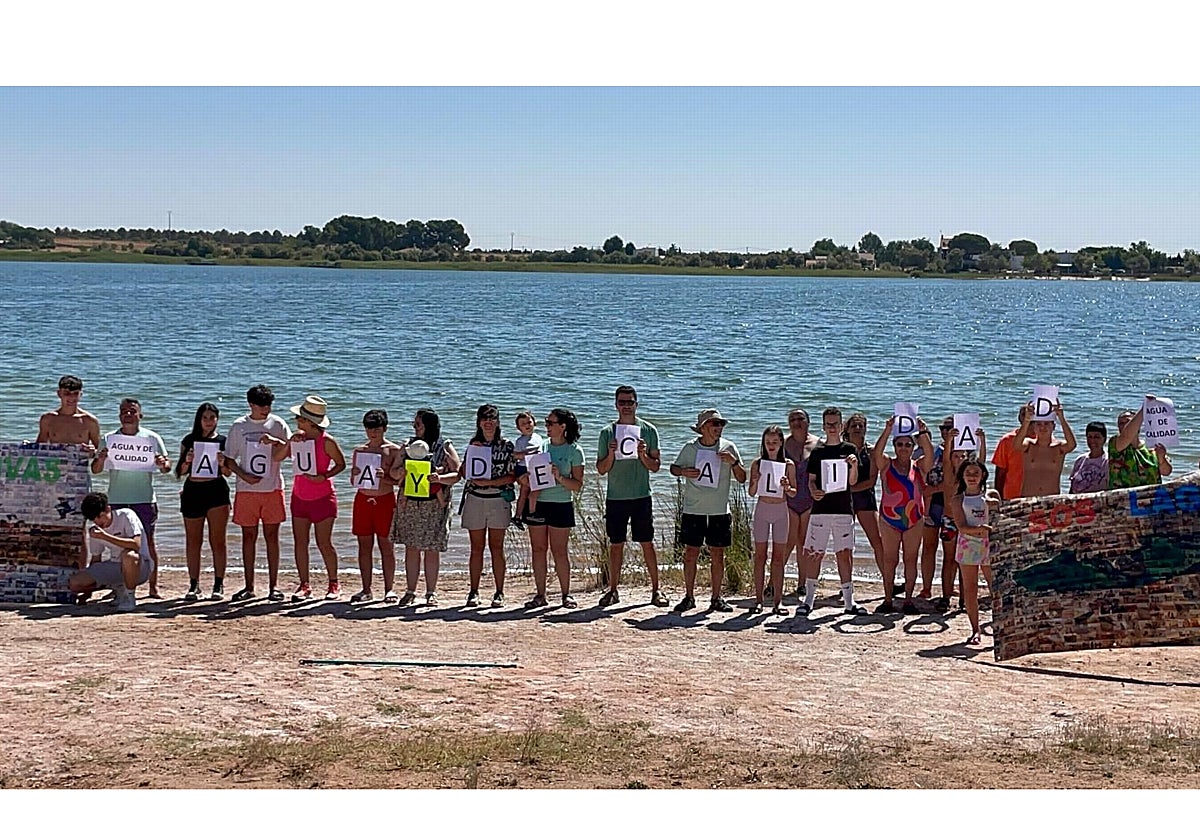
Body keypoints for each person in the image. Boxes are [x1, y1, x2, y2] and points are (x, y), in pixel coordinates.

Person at [262, 395, 346, 601]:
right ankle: (304, 585)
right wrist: (289, 441)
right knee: (300, 542)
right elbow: (277, 457)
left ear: (310, 422)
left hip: (324, 497)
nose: (296, 421)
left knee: (323, 542)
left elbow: (341, 464)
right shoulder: (298, 438)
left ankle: (334, 583)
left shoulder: (327, 441)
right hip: (300, 497)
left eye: (299, 418)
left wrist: (323, 476)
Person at [595, 385, 669, 609]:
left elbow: (655, 466)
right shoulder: (607, 432)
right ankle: (613, 590)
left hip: (640, 496)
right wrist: (610, 453)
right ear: (616, 405)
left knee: (647, 543)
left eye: (630, 402)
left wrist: (643, 455)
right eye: (622, 402)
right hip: (616, 497)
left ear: (637, 404)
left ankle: (656, 590)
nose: (626, 406)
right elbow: (601, 469)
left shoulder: (648, 430)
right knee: (616, 544)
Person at [90, 398, 171, 599]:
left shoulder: (151, 438)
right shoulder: (109, 439)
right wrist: (100, 459)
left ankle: (153, 587)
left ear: (140, 415)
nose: (128, 414)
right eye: (124, 411)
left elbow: (167, 467)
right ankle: (117, 585)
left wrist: (162, 463)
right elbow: (95, 470)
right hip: (116, 499)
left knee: (148, 543)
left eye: (132, 411)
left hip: (143, 499)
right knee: (115, 545)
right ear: (119, 415)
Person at [669, 408, 746, 613]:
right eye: (714, 424)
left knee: (717, 555)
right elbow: (673, 468)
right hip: (693, 509)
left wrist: (734, 462)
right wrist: (683, 472)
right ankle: (689, 596)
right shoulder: (690, 448)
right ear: (703, 428)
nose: (718, 428)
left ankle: (716, 598)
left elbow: (742, 478)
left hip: (719, 511)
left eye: (720, 424)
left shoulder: (729, 447)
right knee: (690, 554)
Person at [223, 385, 291, 602]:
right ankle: (249, 586)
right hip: (246, 490)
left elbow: (289, 451)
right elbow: (229, 459)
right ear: (251, 404)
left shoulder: (278, 423)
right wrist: (244, 476)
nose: (266, 409)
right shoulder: (239, 426)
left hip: (272, 488)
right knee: (248, 537)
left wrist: (276, 442)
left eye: (269, 404)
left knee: (272, 536)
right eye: (262, 405)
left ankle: (274, 587)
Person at [389, 408, 460, 607]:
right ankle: (410, 591)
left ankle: (431, 592)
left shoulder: (443, 445)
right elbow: (393, 473)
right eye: (414, 423)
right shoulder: (407, 445)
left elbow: (457, 474)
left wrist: (439, 478)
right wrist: (402, 471)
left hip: (434, 505)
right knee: (411, 548)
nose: (414, 427)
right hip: (410, 503)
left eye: (418, 424)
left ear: (428, 425)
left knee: (431, 549)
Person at [801, 407, 863, 616]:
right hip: (820, 510)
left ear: (841, 425)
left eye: (836, 424)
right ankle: (808, 600)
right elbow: (810, 481)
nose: (832, 428)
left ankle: (848, 602)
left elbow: (853, 482)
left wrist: (853, 466)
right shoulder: (817, 452)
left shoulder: (850, 449)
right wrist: (814, 492)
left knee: (844, 554)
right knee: (814, 554)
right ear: (824, 426)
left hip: (844, 509)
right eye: (828, 424)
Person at [524, 408, 585, 610]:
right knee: (538, 550)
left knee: (559, 551)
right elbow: (530, 474)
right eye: (546, 423)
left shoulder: (574, 451)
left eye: (550, 423)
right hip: (539, 503)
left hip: (561, 504)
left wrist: (559, 477)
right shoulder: (541, 446)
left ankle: (566, 594)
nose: (547, 427)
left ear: (563, 426)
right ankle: (540, 594)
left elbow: (577, 485)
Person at [871, 415, 933, 615]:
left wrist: (922, 432)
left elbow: (930, 455)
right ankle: (888, 599)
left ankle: (908, 600)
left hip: (914, 519)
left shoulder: (919, 465)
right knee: (890, 560)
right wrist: (888, 429)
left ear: (913, 447)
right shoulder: (887, 464)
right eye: (900, 444)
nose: (904, 448)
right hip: (889, 520)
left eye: (908, 444)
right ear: (895, 446)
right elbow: (877, 452)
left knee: (910, 559)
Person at [459, 403, 517, 608]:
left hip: (498, 499)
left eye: (492, 418)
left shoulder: (507, 445)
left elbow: (513, 475)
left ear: (498, 421)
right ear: (479, 422)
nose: (489, 422)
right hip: (475, 498)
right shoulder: (473, 444)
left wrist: (491, 482)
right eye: (485, 418)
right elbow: (464, 473)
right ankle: (473, 591)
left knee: (496, 548)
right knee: (476, 548)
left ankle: (499, 592)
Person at [175, 402, 231, 601]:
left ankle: (218, 584)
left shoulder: (224, 441)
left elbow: (228, 473)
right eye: (205, 417)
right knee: (193, 541)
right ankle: (193, 584)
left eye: (212, 418)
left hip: (216, 491)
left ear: (217, 420)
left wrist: (224, 462)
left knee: (218, 541)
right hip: (193, 491)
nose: (208, 421)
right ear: (199, 419)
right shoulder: (189, 440)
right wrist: (187, 461)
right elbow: (179, 472)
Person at [348, 409, 403, 604]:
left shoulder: (393, 450)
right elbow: (354, 480)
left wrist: (385, 476)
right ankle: (366, 589)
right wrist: (354, 473)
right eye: (369, 429)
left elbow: (400, 482)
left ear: (385, 429)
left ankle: (389, 589)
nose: (373, 433)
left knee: (386, 546)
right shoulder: (360, 451)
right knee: (364, 546)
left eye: (377, 430)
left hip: (385, 501)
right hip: (363, 500)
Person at [69, 492, 153, 612]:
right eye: (94, 520)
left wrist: (105, 536)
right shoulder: (95, 530)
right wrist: (88, 590)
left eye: (100, 516)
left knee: (129, 555)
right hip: (115, 565)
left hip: (139, 567)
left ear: (108, 509)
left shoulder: (126, 515)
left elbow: (136, 544)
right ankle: (118, 588)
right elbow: (96, 559)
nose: (98, 522)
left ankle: (129, 596)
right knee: (75, 583)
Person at [948, 458, 1001, 646]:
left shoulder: (991, 494)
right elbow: (961, 527)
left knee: (995, 588)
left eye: (975, 473)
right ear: (962, 475)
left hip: (989, 545)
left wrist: (994, 506)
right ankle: (975, 630)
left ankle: (1000, 627)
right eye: (968, 473)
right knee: (970, 589)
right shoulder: (958, 499)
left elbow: (1000, 520)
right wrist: (982, 529)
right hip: (968, 545)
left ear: (983, 475)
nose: (972, 477)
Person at [747, 424, 796, 615]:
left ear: (781, 442)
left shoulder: (788, 465)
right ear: (764, 444)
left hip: (781, 511)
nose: (771, 445)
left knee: (778, 558)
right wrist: (755, 481)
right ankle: (758, 600)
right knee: (760, 556)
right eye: (768, 442)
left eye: (775, 442)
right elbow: (752, 493)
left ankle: (778, 602)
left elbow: (794, 492)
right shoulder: (757, 464)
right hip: (762, 510)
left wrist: (786, 487)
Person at [843, 412, 886, 587]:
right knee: (846, 544)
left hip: (865, 499)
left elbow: (871, 480)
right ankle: (848, 582)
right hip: (845, 501)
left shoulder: (871, 451)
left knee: (878, 541)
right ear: (847, 429)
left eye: (861, 426)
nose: (858, 429)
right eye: (855, 426)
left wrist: (850, 489)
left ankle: (887, 579)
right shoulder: (842, 450)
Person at [782, 408, 821, 597]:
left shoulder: (818, 444)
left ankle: (802, 583)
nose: (796, 422)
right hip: (787, 500)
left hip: (810, 501)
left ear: (808, 421)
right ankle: (775, 581)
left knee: (805, 542)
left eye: (800, 418)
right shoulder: (782, 444)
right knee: (787, 542)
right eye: (792, 419)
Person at [1014, 400, 1077, 496]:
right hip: (1028, 497)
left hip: (1051, 499)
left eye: (1046, 424)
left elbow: (1072, 445)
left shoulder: (1059, 447)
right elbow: (1016, 445)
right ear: (1034, 427)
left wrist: (1061, 418)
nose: (1042, 427)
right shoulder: (1029, 445)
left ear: (1054, 426)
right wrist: (1027, 420)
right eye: (1039, 424)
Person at [1108, 398, 1173, 489]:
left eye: (1128, 422)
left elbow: (1166, 472)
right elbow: (1127, 436)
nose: (1124, 425)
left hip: (1150, 498)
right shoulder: (1115, 444)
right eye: (1121, 423)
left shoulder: (1152, 447)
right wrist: (1144, 409)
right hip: (1123, 499)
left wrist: (1162, 459)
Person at [37, 375, 101, 449]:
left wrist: (92, 451)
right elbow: (39, 449)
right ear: (59, 393)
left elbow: (101, 451)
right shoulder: (48, 419)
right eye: (67, 393)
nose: (71, 397)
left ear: (81, 395)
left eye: (75, 393)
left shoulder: (89, 420)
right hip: (56, 460)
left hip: (80, 460)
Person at [991, 403, 1031, 501]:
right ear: (1019, 418)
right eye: (1023, 414)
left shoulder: (1043, 440)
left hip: (1034, 494)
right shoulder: (1007, 440)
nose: (1026, 416)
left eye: (1029, 414)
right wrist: (999, 498)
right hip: (1011, 495)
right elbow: (1000, 472)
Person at [511, 410, 543, 529]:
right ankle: (529, 513)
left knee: (528, 491)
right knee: (529, 490)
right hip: (524, 468)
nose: (527, 425)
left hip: (535, 467)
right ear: (519, 428)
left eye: (529, 422)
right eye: (523, 424)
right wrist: (529, 453)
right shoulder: (521, 441)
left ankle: (519, 516)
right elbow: (515, 455)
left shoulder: (539, 437)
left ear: (534, 423)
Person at [1069, 421, 1109, 494]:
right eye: (1089, 437)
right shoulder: (1080, 460)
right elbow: (1071, 489)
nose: (1092, 440)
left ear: (1104, 439)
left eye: (1097, 437)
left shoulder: (1108, 462)